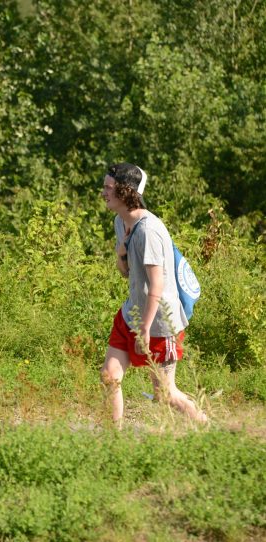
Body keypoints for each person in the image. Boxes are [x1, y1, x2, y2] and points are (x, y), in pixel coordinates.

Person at [100, 162, 207, 428]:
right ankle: (113, 441)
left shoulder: (149, 230)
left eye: (108, 188)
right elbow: (125, 273)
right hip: (132, 313)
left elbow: (157, 284)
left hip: (159, 322)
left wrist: (145, 329)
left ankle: (210, 430)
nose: (103, 193)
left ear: (125, 191)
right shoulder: (120, 222)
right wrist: (121, 253)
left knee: (166, 394)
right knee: (110, 376)